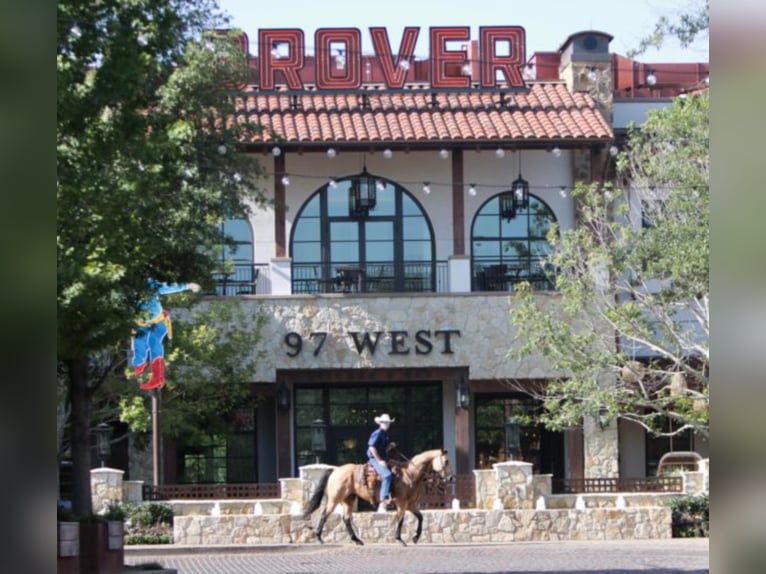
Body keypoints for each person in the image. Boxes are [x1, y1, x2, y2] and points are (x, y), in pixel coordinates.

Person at [131, 278, 200, 391]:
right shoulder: (127, 290)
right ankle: (139, 363)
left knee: (153, 342)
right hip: (142, 323)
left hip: (158, 321)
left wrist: (187, 285)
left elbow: (168, 287)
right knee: (139, 342)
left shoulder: (150, 285)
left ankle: (158, 377)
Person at [367, 413, 395, 512]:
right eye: (386, 422)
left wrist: (390, 446)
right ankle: (383, 503)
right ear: (381, 423)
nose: (387, 424)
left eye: (388, 423)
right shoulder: (378, 433)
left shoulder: (385, 434)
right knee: (387, 476)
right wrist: (380, 461)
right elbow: (372, 447)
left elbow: (384, 450)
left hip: (383, 458)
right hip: (375, 459)